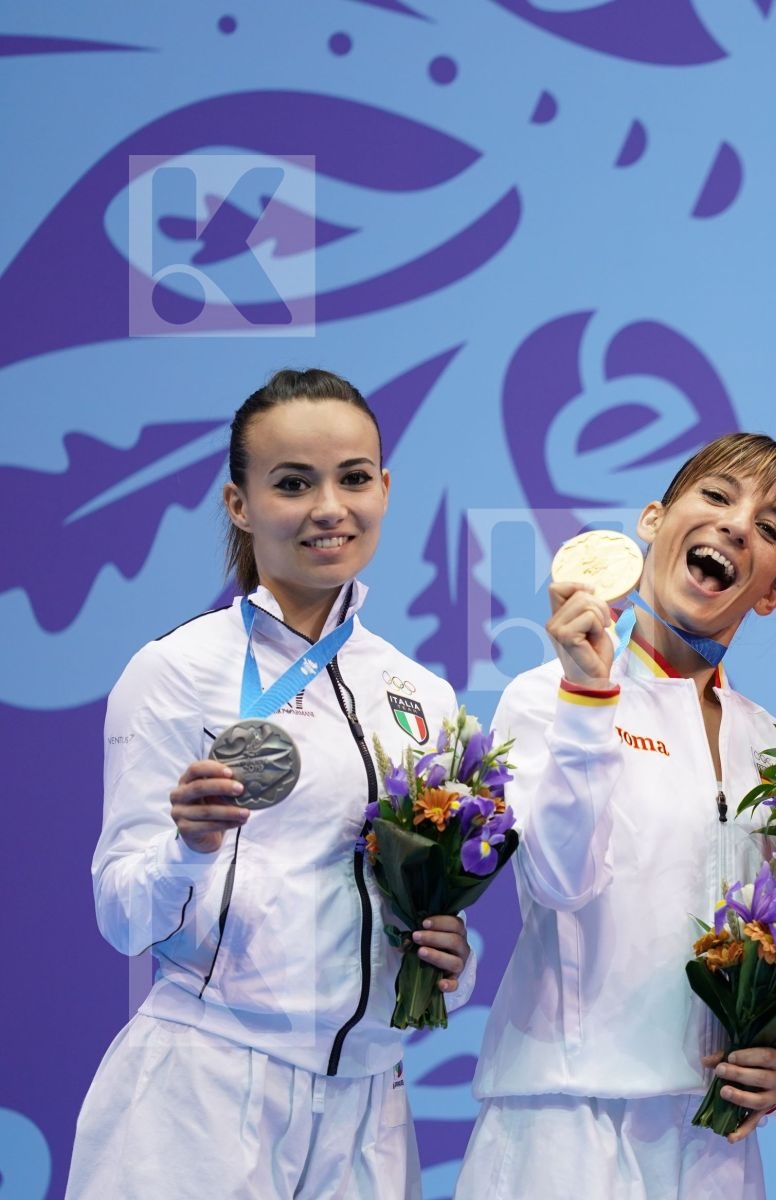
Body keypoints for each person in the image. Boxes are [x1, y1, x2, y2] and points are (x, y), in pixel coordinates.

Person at [69, 369, 472, 1200]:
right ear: (239, 504)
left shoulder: (422, 696)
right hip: (204, 1095)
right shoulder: (178, 672)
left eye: (354, 478)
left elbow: (397, 896)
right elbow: (120, 916)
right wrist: (188, 846)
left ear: (385, 489)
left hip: (368, 1104)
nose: (330, 506)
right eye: (293, 483)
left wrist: (442, 951)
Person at [458, 433, 776, 1199]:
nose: (735, 525)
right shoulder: (544, 694)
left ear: (770, 593)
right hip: (566, 1123)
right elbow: (559, 881)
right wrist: (590, 701)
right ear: (653, 521)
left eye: (768, 529)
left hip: (714, 1139)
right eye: (718, 496)